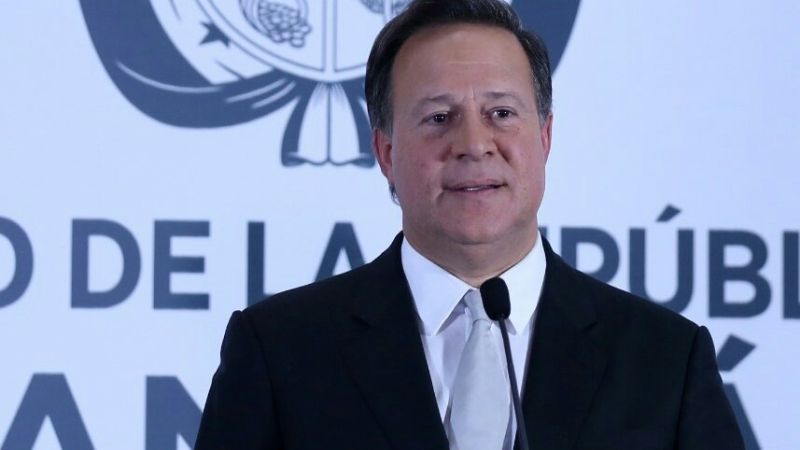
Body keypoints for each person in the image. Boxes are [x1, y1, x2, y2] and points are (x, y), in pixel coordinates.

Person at [195, 0, 744, 449]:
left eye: (501, 113)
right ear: (385, 151)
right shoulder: (280, 351)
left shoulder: (665, 360)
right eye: (439, 117)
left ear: (545, 137)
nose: (475, 145)